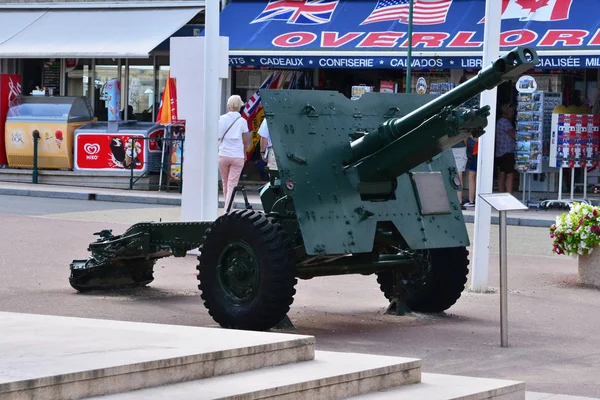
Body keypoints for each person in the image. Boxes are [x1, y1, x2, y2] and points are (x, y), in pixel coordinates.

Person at [218, 95, 249, 209]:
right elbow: (245, 140)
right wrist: (244, 153)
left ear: (228, 105)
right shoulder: (242, 121)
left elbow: (217, 136)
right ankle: (228, 209)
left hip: (223, 154)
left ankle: (228, 207)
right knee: (232, 184)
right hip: (237, 155)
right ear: (240, 106)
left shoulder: (221, 119)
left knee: (225, 183)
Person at [495, 102, 516, 194]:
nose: (513, 114)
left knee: (502, 172)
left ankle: (501, 192)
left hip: (500, 151)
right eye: (512, 112)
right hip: (507, 151)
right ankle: (509, 194)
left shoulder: (499, 121)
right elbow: (513, 135)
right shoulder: (506, 122)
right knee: (509, 174)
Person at [451, 139, 468, 209]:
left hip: (447, 147)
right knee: (459, 175)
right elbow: (465, 137)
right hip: (459, 147)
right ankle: (459, 201)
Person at [464, 136, 478, 207]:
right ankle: (471, 199)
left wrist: (469, 135)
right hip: (475, 152)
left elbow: (478, 139)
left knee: (471, 176)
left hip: (477, 152)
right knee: (472, 176)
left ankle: (472, 200)